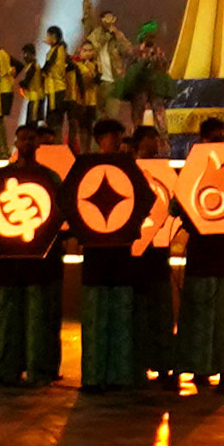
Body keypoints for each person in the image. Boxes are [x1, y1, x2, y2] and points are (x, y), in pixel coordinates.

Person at [173, 121, 224, 391]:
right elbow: (177, 206)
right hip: (204, 252)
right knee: (202, 314)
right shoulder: (195, 166)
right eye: (212, 138)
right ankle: (202, 368)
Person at [0, 127, 65, 387]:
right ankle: (4, 368)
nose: (28, 143)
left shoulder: (49, 177)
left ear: (37, 143)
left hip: (40, 262)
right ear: (16, 141)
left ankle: (38, 369)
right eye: (24, 139)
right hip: (9, 260)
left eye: (32, 139)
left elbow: (61, 212)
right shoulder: (0, 178)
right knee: (7, 316)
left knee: (39, 317)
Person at [77, 120, 145, 391]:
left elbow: (144, 200)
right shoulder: (86, 166)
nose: (117, 140)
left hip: (121, 251)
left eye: (119, 135)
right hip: (95, 252)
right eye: (112, 136)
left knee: (121, 315)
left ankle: (120, 375)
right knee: (95, 316)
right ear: (99, 139)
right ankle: (94, 376)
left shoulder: (129, 167)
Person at [130, 122, 180, 387]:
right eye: (151, 138)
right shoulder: (129, 172)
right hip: (136, 255)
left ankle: (163, 365)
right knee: (139, 313)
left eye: (157, 139)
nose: (155, 143)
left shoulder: (165, 172)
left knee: (161, 312)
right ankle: (139, 365)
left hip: (159, 252)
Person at [0, 30, 25, 158]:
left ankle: (3, 150)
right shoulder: (4, 54)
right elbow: (19, 65)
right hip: (7, 91)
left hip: (0, 92)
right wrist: (12, 76)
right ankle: (1, 150)